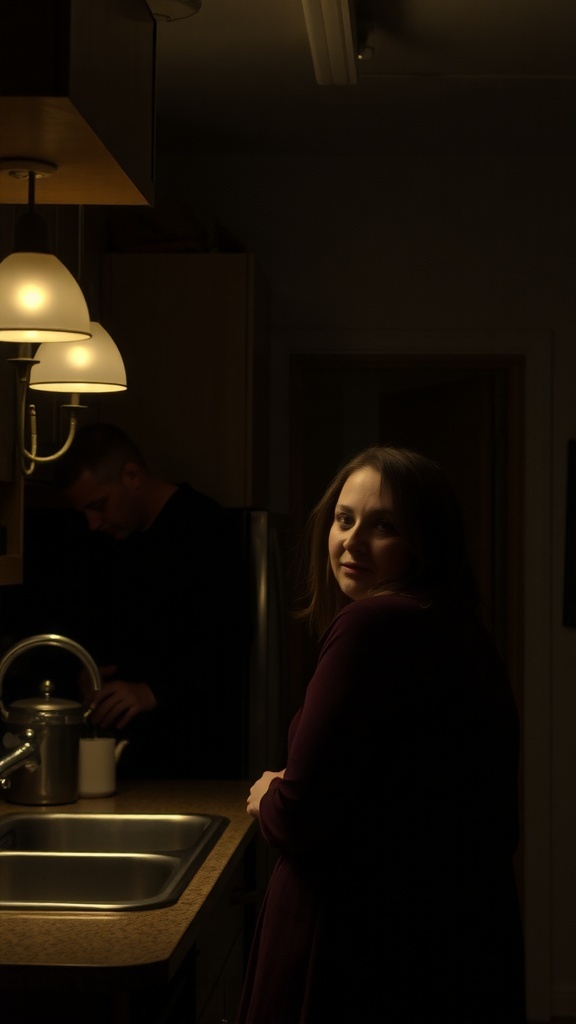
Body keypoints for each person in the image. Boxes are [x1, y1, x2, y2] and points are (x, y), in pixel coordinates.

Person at [236, 445, 526, 1024]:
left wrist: (269, 792)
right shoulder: (455, 624)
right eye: (344, 519)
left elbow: (300, 813)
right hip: (437, 945)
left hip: (348, 942)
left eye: (384, 526)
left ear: (426, 542)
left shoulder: (373, 624)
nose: (352, 541)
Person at [36, 422, 245, 780]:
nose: (92, 522)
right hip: (120, 755)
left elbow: (230, 640)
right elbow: (83, 622)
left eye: (98, 506)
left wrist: (152, 691)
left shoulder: (205, 528)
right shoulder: (102, 542)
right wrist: (85, 674)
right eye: (84, 512)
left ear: (132, 475)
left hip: (194, 758)